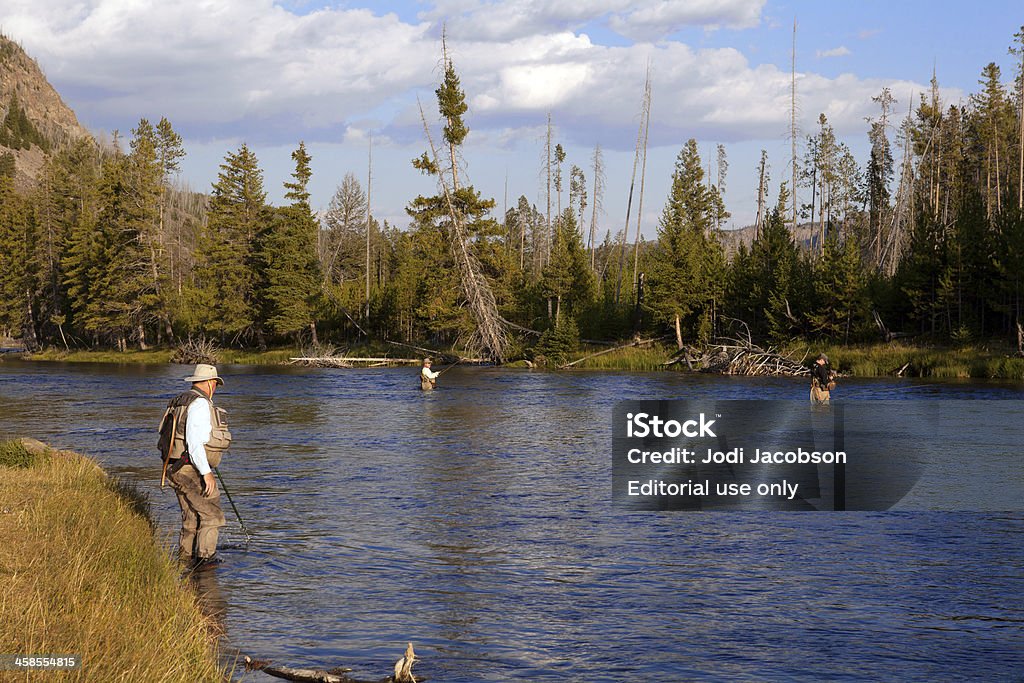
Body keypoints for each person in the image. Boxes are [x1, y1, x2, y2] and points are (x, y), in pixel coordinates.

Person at [160, 363, 232, 567]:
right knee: (212, 516)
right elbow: (194, 443)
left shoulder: (179, 401)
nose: (216, 389)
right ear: (210, 383)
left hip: (173, 468)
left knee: (191, 518)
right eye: (216, 384)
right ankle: (205, 563)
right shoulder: (200, 404)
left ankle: (184, 563)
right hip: (190, 468)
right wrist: (207, 473)